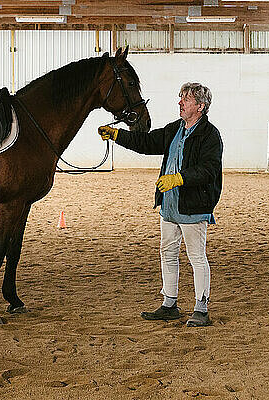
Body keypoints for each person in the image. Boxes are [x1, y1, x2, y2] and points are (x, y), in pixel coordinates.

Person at [98, 82, 223, 327]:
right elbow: (148, 143)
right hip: (170, 206)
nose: (180, 103)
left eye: (185, 100)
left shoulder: (210, 135)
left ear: (200, 106)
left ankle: (201, 307)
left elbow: (209, 170)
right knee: (168, 253)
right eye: (181, 98)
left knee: (197, 256)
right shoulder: (176, 129)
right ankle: (169, 303)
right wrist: (117, 135)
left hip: (193, 207)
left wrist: (180, 178)